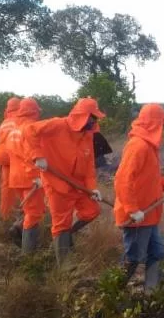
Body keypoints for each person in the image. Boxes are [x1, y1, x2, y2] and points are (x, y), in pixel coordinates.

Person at [113, 103, 164, 291]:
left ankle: (151, 294)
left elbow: (152, 179)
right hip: (137, 217)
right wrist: (132, 210)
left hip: (149, 215)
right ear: (155, 124)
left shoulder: (149, 147)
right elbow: (122, 180)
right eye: (163, 123)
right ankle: (112, 290)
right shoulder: (138, 146)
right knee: (134, 259)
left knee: (156, 252)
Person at [24, 97, 106, 266]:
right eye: (92, 117)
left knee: (92, 210)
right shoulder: (57, 125)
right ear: (82, 116)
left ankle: (65, 236)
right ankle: (65, 267)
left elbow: (89, 164)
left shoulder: (87, 135)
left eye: (95, 118)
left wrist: (93, 188)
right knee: (61, 223)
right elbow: (29, 131)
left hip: (79, 185)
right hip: (57, 184)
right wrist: (38, 155)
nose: (94, 121)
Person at [6, 98, 46, 253]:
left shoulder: (14, 130)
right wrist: (35, 176)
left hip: (15, 178)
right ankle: (28, 253)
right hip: (29, 179)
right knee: (34, 213)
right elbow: (29, 155)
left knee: (32, 211)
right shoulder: (30, 129)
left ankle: (18, 230)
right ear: (34, 112)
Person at [0, 97, 22, 242]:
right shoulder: (20, 119)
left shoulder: (4, 122)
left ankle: (5, 216)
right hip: (14, 157)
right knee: (21, 187)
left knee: (6, 189)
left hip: (2, 157)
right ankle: (22, 218)